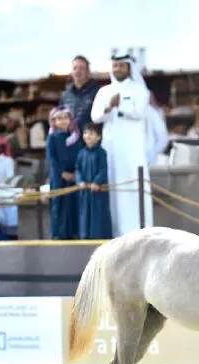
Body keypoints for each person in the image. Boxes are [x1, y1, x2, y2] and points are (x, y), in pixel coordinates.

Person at [91, 46, 152, 235]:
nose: (117, 69)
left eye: (121, 66)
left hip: (133, 150)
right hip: (111, 148)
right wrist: (109, 108)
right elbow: (95, 117)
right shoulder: (104, 91)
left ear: (129, 68)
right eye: (115, 66)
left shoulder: (140, 91)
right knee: (113, 191)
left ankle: (138, 232)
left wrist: (121, 106)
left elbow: (140, 112)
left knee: (134, 188)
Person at [46, 106, 81, 240]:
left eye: (66, 118)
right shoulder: (52, 138)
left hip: (74, 176)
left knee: (73, 203)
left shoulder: (76, 137)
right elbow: (51, 158)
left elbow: (79, 156)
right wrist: (61, 173)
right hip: (58, 177)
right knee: (59, 204)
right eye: (59, 118)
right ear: (54, 121)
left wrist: (76, 173)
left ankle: (74, 232)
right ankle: (59, 234)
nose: (63, 121)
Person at [76, 123, 113, 240]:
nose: (88, 136)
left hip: (98, 191)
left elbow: (103, 169)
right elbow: (78, 170)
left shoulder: (102, 152)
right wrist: (80, 181)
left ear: (98, 137)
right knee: (85, 213)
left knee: (98, 213)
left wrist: (97, 182)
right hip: (85, 191)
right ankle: (84, 235)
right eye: (85, 133)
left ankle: (99, 236)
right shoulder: (81, 153)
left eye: (91, 133)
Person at [59, 55, 100, 132]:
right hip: (70, 139)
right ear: (71, 72)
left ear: (88, 71)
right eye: (75, 68)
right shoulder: (66, 95)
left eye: (81, 68)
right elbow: (60, 117)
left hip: (89, 140)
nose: (77, 71)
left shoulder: (97, 92)